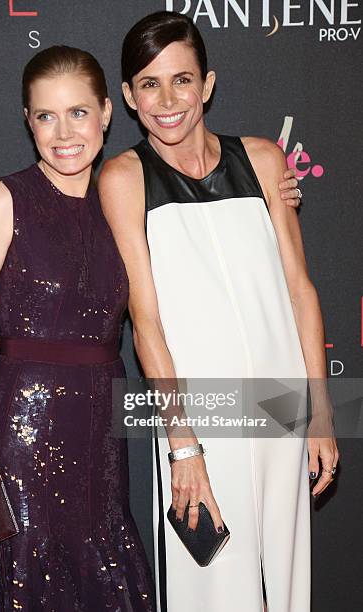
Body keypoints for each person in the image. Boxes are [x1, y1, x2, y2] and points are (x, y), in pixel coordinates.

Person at [98, 11, 339, 612]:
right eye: (149, 84)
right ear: (128, 96)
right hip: (198, 412)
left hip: (282, 401)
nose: (167, 99)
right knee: (212, 591)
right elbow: (145, 323)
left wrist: (321, 410)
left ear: (207, 83)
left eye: (182, 79)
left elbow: (301, 290)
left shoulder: (261, 159)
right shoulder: (124, 177)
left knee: (289, 587)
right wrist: (183, 444)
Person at [0, 46, 155, 611]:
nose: (64, 134)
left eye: (78, 113)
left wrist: (274, 197)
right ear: (27, 122)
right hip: (19, 438)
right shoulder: (3, 200)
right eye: (45, 116)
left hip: (101, 437)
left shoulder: (124, 199)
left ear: (107, 112)